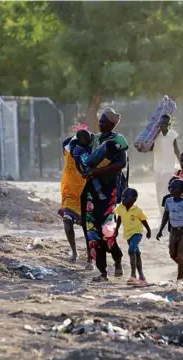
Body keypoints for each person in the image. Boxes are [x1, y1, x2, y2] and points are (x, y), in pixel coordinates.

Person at [83, 108, 129, 282]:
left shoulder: (118, 140)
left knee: (107, 229)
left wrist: (98, 171)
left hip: (110, 189)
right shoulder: (94, 139)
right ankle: (102, 271)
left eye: (103, 121)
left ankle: (117, 259)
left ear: (112, 123)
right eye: (100, 121)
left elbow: (121, 163)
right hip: (92, 189)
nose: (100, 124)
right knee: (92, 228)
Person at [156, 178, 183, 282]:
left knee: (181, 255)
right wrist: (160, 230)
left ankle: (180, 278)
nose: (170, 189)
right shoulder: (168, 201)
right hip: (173, 231)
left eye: (173, 188)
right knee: (172, 254)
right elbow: (165, 216)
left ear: (180, 190)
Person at [58, 135, 89, 264]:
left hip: (86, 193)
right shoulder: (67, 151)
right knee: (67, 221)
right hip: (70, 194)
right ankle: (74, 251)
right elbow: (66, 143)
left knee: (88, 227)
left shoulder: (88, 154)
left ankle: (90, 255)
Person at [114, 188, 152, 286]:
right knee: (137, 253)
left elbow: (144, 220)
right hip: (128, 234)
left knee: (131, 250)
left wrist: (148, 230)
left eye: (126, 197)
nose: (123, 199)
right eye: (123, 197)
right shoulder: (120, 208)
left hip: (137, 233)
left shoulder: (137, 210)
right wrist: (117, 229)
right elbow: (119, 218)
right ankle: (142, 277)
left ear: (134, 199)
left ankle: (133, 275)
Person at [73, 129, 122, 201]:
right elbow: (77, 164)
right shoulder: (77, 150)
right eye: (86, 139)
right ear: (80, 140)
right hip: (87, 165)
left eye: (89, 138)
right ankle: (99, 192)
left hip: (94, 161)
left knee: (101, 153)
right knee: (92, 173)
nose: (88, 141)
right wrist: (82, 173)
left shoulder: (89, 145)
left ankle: (113, 147)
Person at [153, 114, 181, 215]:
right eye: (161, 123)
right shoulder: (155, 135)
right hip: (157, 166)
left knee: (166, 189)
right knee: (159, 189)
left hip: (169, 166)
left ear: (169, 124)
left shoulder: (172, 135)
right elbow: (150, 147)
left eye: (165, 123)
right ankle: (161, 210)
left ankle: (166, 210)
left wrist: (181, 162)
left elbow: (176, 149)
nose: (163, 125)